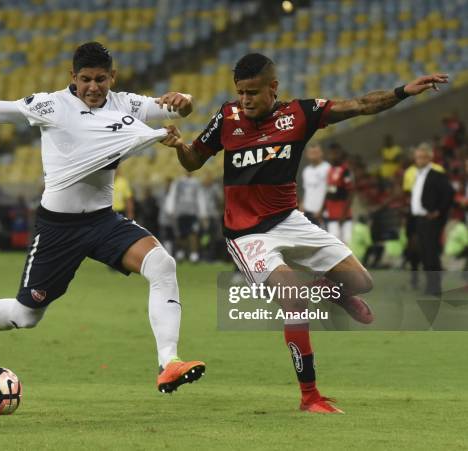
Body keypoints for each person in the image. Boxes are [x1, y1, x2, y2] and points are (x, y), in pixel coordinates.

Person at [0, 42, 205, 394]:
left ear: (112, 77)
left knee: (162, 265)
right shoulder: (50, 106)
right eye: (85, 80)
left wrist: (182, 100)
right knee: (26, 315)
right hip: (58, 228)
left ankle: (168, 363)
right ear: (73, 77)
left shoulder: (126, 103)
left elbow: (176, 108)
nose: (93, 88)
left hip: (102, 222)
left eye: (101, 79)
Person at [162, 52, 447, 413]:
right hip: (247, 234)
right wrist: (178, 148)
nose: (245, 100)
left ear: (273, 88)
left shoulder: (299, 114)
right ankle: (309, 395)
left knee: (361, 283)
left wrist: (404, 91)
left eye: (252, 92)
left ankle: (332, 292)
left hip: (289, 220)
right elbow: (193, 161)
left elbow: (359, 104)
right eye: (240, 92)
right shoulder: (227, 116)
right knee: (294, 299)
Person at [410, 143, 455, 296]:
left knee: (431, 253)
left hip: (431, 219)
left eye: (422, 157)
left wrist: (438, 212)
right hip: (419, 219)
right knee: (424, 252)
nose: (419, 160)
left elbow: (449, 193)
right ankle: (430, 284)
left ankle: (435, 287)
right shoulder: (418, 174)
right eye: (417, 157)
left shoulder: (436, 175)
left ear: (430, 158)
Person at [325, 143, 354, 244]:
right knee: (335, 244)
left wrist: (344, 214)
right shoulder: (330, 170)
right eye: (331, 153)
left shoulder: (345, 170)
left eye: (336, 153)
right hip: (332, 215)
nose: (333, 156)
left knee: (347, 244)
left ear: (340, 154)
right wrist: (322, 210)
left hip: (344, 216)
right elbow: (329, 191)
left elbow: (350, 193)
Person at [299, 143, 330, 227]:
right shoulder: (306, 171)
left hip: (322, 213)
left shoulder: (327, 168)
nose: (313, 155)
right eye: (311, 153)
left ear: (321, 153)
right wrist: (302, 205)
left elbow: (329, 191)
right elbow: (306, 190)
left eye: (315, 152)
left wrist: (322, 210)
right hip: (308, 212)